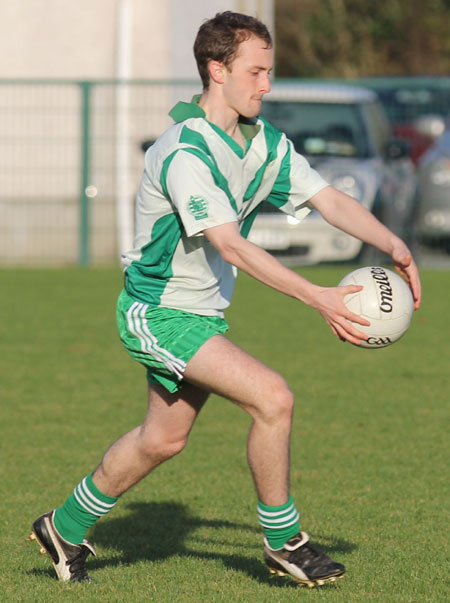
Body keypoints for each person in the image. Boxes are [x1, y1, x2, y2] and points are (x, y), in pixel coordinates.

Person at [29, 11, 421, 588]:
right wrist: (318, 296)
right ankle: (285, 542)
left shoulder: (262, 143)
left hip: (200, 313)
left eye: (270, 71)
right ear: (218, 70)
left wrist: (393, 245)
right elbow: (231, 247)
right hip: (158, 312)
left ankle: (63, 526)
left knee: (162, 439)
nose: (267, 84)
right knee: (273, 398)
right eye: (256, 71)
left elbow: (327, 198)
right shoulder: (185, 151)